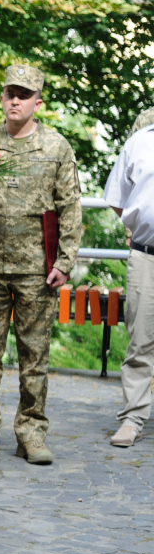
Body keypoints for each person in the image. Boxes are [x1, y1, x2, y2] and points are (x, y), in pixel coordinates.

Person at [0, 65, 82, 464]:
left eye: (23, 95)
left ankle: (31, 431)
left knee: (34, 356)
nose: (15, 100)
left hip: (36, 269)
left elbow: (70, 206)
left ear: (37, 103)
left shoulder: (56, 146)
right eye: (10, 93)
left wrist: (65, 261)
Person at [106, 123, 154, 448]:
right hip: (147, 256)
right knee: (141, 341)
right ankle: (133, 417)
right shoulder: (140, 140)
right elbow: (117, 198)